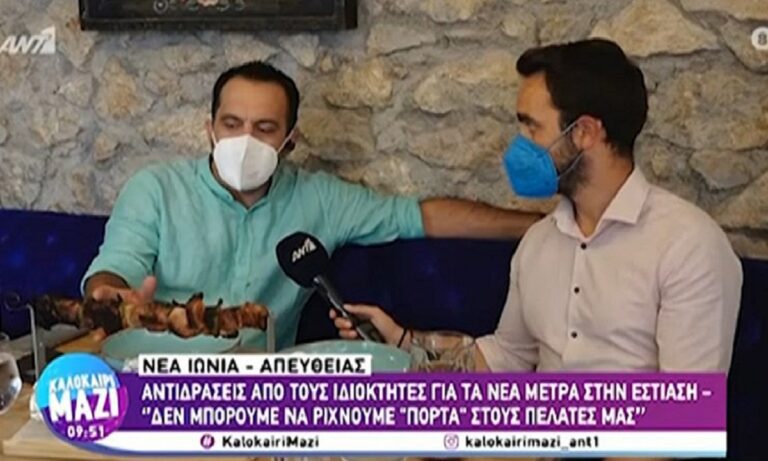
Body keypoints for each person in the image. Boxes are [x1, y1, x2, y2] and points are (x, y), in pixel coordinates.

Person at [332, 38, 742, 375]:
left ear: (584, 132)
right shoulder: (539, 242)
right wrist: (401, 340)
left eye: (532, 126)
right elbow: (507, 357)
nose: (519, 145)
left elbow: (687, 416)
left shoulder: (687, 244)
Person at [81, 61, 543, 350]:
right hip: (151, 382)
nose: (245, 139)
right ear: (210, 129)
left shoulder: (320, 199)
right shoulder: (155, 189)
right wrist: (110, 294)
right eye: (232, 123)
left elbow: (421, 216)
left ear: (290, 140)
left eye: (264, 128)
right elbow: (114, 268)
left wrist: (545, 223)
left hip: (259, 397)